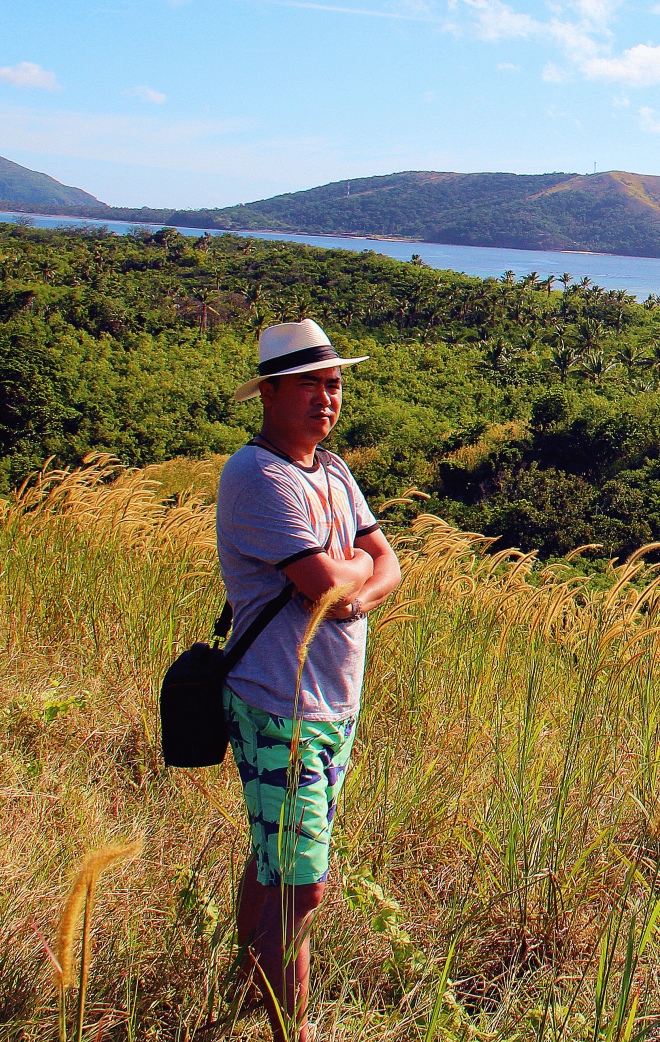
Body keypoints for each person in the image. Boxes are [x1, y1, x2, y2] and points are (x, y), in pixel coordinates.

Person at [216, 319, 403, 1042]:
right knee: (303, 886)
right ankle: (287, 1031)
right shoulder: (257, 475)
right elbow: (328, 582)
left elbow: (387, 563)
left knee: (276, 858)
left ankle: (242, 982)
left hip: (332, 707)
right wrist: (353, 579)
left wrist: (354, 584)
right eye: (310, 384)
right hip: (278, 707)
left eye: (334, 382)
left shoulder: (332, 470)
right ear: (269, 392)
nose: (327, 398)